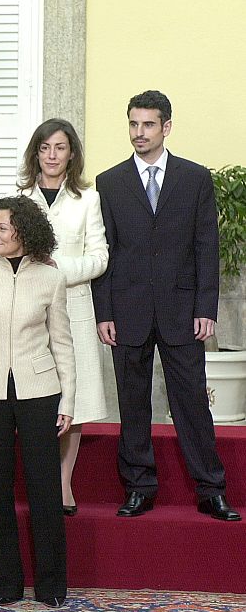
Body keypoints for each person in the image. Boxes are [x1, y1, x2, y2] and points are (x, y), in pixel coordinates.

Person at [92, 90, 240, 522]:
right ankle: (139, 487)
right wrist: (105, 313)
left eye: (148, 125)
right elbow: (106, 253)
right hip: (128, 311)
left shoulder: (194, 178)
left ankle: (211, 489)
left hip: (182, 312)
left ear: (166, 127)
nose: (139, 133)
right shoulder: (110, 182)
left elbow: (205, 248)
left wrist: (206, 308)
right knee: (133, 402)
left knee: (193, 401)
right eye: (134, 124)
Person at [0, 196, 75, 608]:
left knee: (44, 491)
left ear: (23, 229)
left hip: (40, 393)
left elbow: (63, 342)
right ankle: (6, 585)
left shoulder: (51, 278)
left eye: (2, 227)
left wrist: (69, 400)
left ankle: (51, 587)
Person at [17, 118, 108, 515]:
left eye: (60, 148)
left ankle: (63, 483)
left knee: (75, 397)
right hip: (29, 312)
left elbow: (101, 257)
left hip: (74, 309)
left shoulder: (87, 198)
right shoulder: (19, 197)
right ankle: (41, 480)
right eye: (45, 148)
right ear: (35, 153)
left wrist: (58, 267)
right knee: (39, 397)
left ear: (71, 154)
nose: (52, 155)